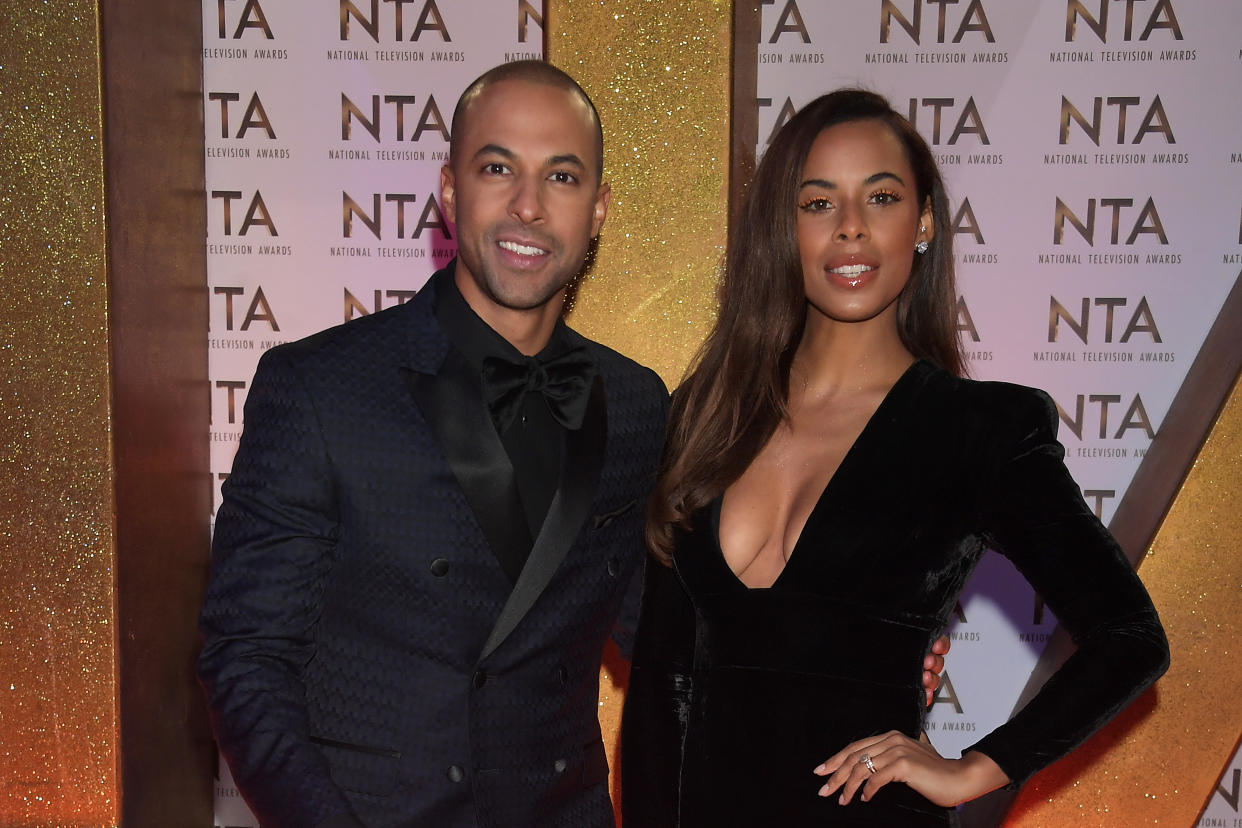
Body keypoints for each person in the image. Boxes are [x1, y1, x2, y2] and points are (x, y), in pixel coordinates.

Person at [198, 63, 948, 828]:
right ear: (451, 191)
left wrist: (857, 651)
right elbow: (247, 659)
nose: (528, 206)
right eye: (498, 169)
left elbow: (672, 633)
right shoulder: (321, 387)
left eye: (562, 177)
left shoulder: (635, 404)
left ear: (598, 209)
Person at [620, 89, 1170, 826]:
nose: (850, 228)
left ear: (924, 221)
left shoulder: (980, 430)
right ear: (784, 229)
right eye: (817, 203)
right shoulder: (705, 413)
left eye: (880, 197)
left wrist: (975, 768)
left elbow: (1129, 639)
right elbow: (660, 682)